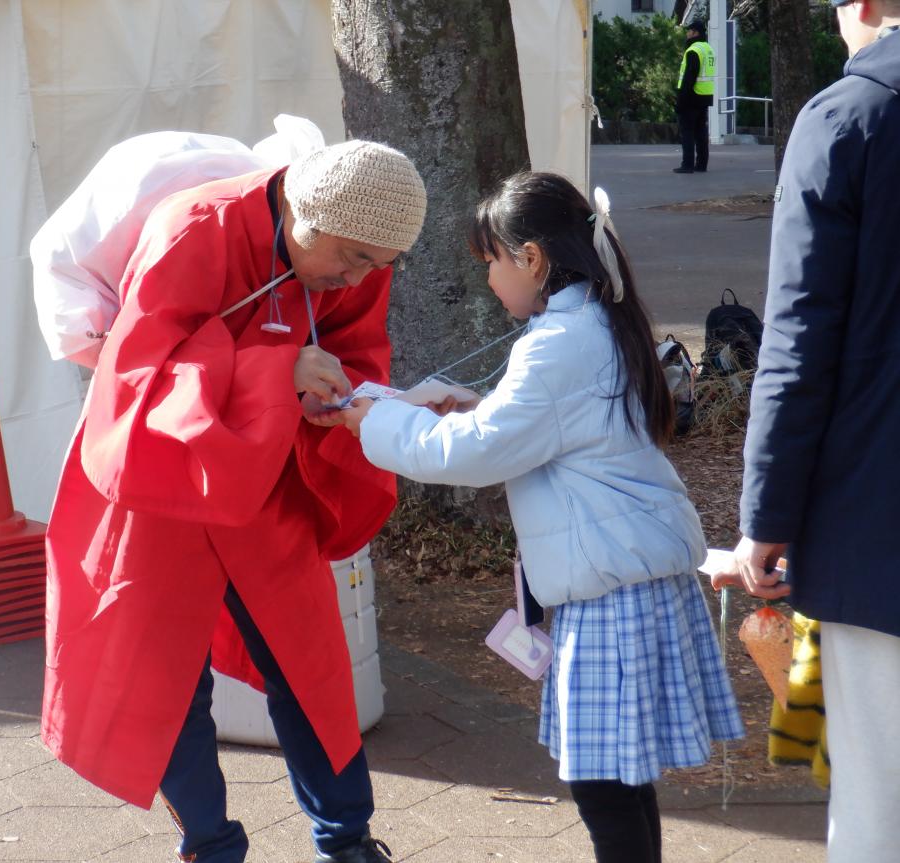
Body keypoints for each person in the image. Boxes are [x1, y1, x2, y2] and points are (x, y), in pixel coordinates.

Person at [40, 139, 427, 863]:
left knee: (309, 664)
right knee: (165, 680)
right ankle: (210, 845)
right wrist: (278, 371)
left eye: (378, 266)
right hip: (160, 479)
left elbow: (356, 349)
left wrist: (340, 399)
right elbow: (138, 377)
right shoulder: (194, 229)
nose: (356, 279)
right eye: (351, 258)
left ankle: (347, 842)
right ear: (302, 211)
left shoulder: (355, 253)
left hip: (269, 475)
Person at [341, 172, 744, 863]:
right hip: (627, 575)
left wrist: (375, 421)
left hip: (611, 587)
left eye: (491, 261)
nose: (489, 279)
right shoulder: (594, 319)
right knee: (619, 780)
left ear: (531, 258)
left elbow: (476, 452)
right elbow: (554, 428)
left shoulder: (559, 340)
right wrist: (477, 407)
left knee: (603, 786)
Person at [715, 2, 900, 860]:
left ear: (859, 7)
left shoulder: (850, 117)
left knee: (876, 803)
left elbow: (798, 339)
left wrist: (768, 517)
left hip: (879, 525)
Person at [674, 19, 715, 174]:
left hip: (692, 96)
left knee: (688, 132)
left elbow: (689, 77)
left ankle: (687, 164)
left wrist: (681, 100)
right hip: (705, 96)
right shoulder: (708, 49)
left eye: (689, 31)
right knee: (701, 131)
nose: (687, 33)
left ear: (695, 32)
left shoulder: (693, 51)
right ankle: (702, 164)